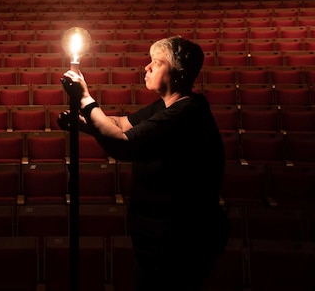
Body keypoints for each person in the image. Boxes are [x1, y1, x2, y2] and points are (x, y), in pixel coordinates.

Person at [60, 35, 229, 291]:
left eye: (156, 63)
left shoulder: (185, 114)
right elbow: (121, 124)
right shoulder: (166, 106)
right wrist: (86, 124)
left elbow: (123, 143)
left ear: (179, 74)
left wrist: (85, 99)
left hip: (179, 241)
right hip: (156, 236)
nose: (147, 67)